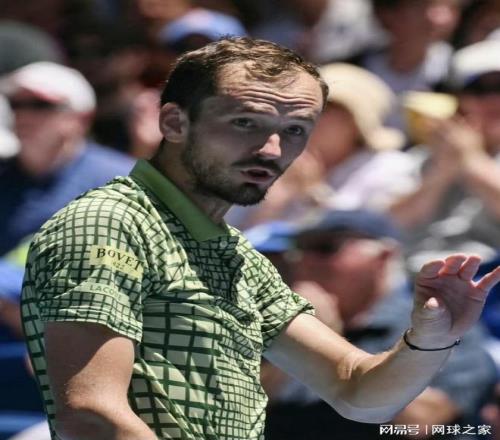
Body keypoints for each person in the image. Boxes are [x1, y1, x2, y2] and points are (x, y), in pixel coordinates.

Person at [20, 37, 500, 440]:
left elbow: (357, 391)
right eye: (245, 122)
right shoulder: (109, 223)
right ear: (174, 122)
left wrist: (432, 339)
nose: (272, 149)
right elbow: (91, 415)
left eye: (294, 129)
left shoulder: (236, 255)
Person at [254, 210, 496, 440]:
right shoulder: (283, 325)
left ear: (383, 257)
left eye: (325, 247)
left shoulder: (434, 322)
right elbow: (246, 409)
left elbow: (422, 421)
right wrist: (308, 339)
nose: (304, 260)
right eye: (298, 248)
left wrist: (333, 349)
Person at [0, 61, 135, 257]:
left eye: (40, 105)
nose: (23, 115)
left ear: (81, 118)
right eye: (16, 104)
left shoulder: (121, 182)